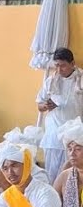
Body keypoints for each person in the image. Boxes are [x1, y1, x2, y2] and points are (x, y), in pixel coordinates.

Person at [37, 47, 83, 181]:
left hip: (75, 139)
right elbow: (39, 105)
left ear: (72, 64)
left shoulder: (81, 80)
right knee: (51, 176)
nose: (59, 70)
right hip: (53, 137)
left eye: (63, 66)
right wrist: (45, 106)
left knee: (72, 177)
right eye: (56, 65)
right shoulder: (51, 81)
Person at [55, 118, 83, 207]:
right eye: (69, 149)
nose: (72, 153)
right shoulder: (64, 176)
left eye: (77, 149)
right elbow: (51, 205)